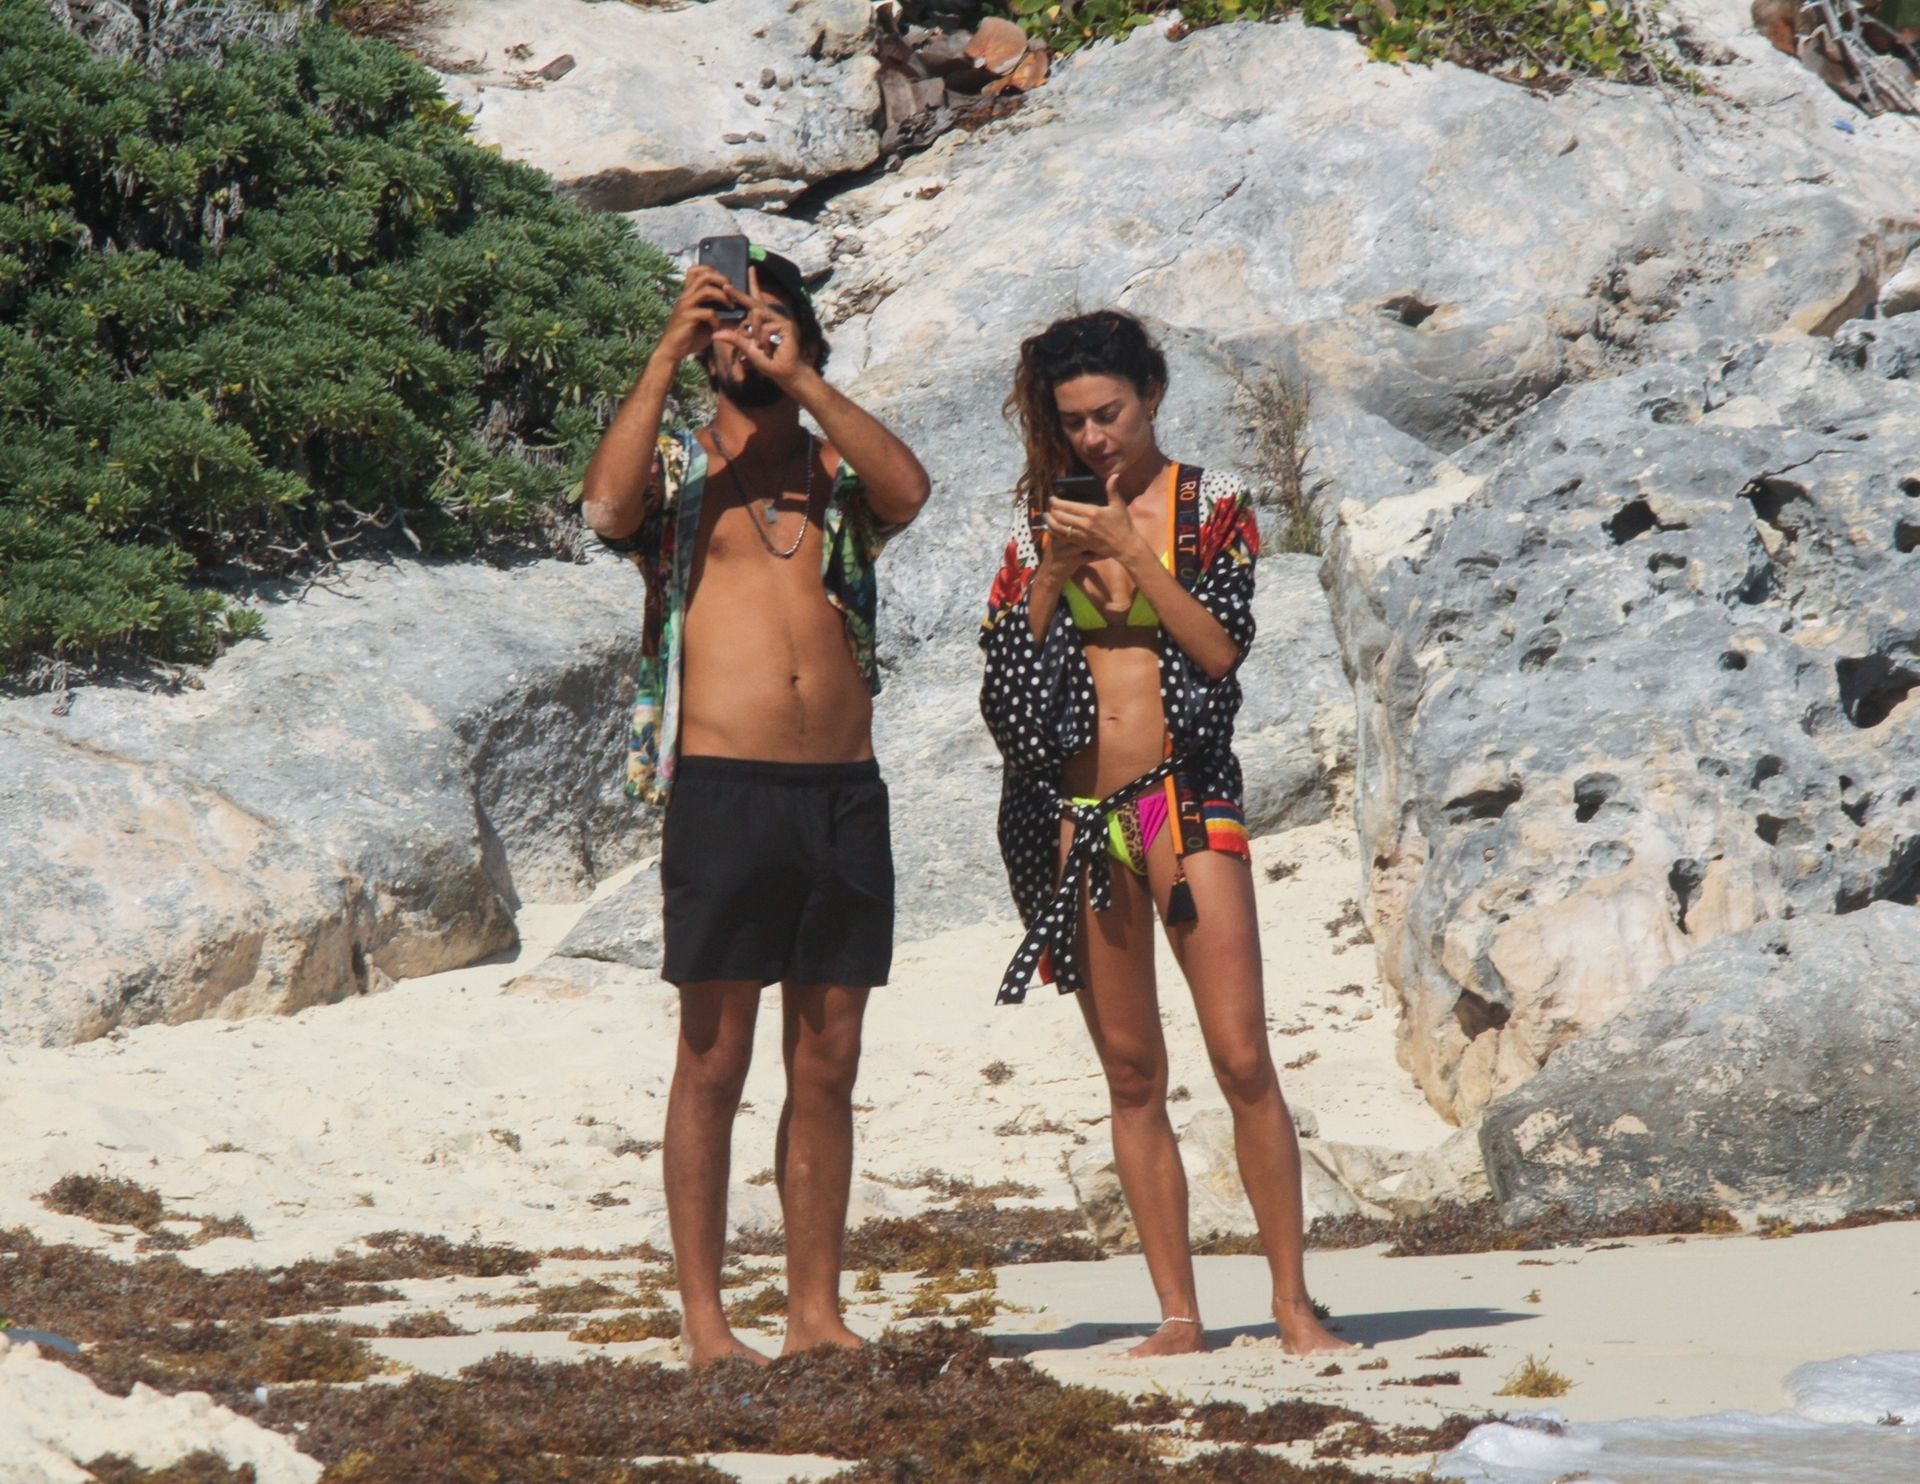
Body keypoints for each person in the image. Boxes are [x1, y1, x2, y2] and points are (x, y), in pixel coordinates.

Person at [581, 245, 931, 1366]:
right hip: (726, 790)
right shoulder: (681, 470)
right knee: (713, 1058)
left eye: (770, 324)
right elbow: (602, 507)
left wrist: (809, 380)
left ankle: (815, 1311)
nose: (749, 339)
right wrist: (669, 349)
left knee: (827, 1059)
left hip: (842, 790)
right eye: (732, 324)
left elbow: (911, 491)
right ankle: (705, 1320)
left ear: (809, 345)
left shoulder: (834, 472)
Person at [978, 308, 1351, 1358]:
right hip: (1080, 817)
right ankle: (1179, 1313)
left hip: (1185, 800)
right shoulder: (1027, 534)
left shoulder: (1213, 505)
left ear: (1151, 395)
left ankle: (1291, 1302)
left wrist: (1129, 557)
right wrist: (1055, 566)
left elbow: (1220, 648)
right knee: (1132, 1072)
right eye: (1076, 422)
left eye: (1112, 413)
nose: (1096, 437)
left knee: (1241, 1055)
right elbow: (1010, 710)